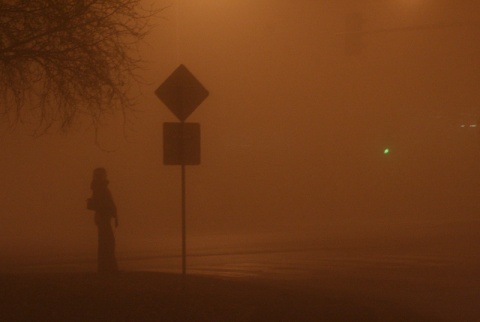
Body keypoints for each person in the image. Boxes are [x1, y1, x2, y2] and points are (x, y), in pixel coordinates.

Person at [87, 167, 119, 274]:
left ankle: (106, 267)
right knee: (107, 243)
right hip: (103, 217)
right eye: (104, 174)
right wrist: (113, 214)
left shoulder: (99, 187)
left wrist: (114, 215)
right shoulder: (100, 188)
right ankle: (108, 268)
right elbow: (104, 203)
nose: (106, 175)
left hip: (103, 217)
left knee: (106, 242)